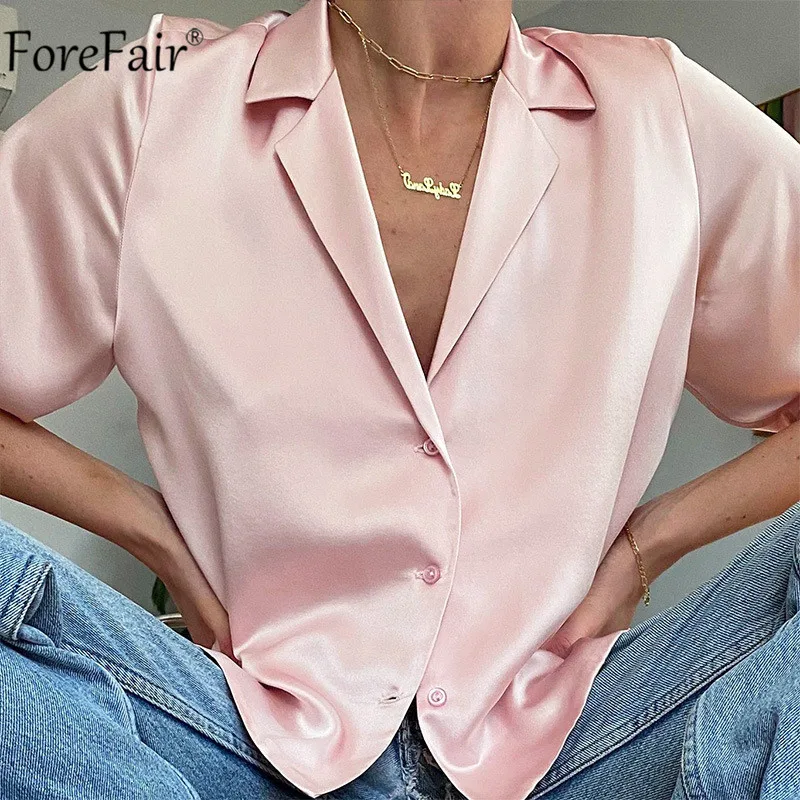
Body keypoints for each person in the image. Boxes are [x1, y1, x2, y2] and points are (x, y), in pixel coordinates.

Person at [1, 0, 798, 798]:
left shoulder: (659, 115)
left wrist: (649, 543)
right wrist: (149, 530)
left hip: (571, 734)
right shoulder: (168, 100)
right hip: (246, 734)